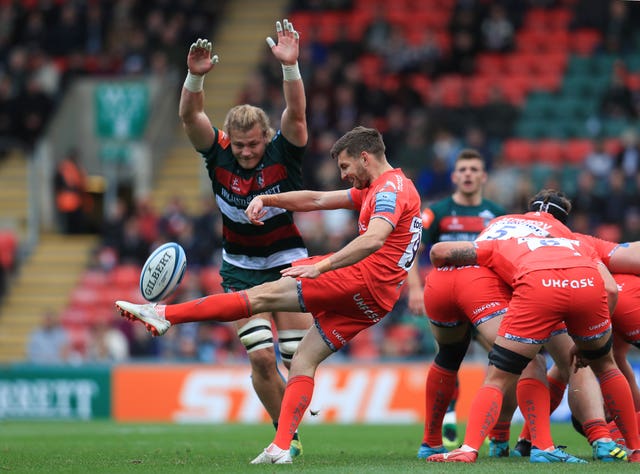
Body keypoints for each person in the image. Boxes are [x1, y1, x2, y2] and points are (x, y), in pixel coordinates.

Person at [115, 126, 423, 464]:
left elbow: (375, 238)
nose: (344, 175)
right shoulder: (384, 187)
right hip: (377, 300)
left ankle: (163, 315)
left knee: (258, 296)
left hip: (359, 278)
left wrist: (323, 266)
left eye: (346, 167)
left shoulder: (389, 190)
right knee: (303, 360)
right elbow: (316, 199)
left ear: (365, 157)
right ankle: (281, 446)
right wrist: (267, 198)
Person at [176, 19, 314, 457]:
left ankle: (293, 408)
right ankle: (285, 438)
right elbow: (190, 116)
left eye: (253, 144)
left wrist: (290, 69)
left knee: (296, 358)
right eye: (239, 146)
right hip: (239, 268)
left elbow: (297, 114)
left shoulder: (283, 150)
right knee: (259, 356)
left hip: (287, 262)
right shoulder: (217, 152)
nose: (247, 152)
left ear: (265, 137)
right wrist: (195, 76)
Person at [426, 190, 640, 463]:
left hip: (526, 289)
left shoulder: (501, 226)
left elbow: (440, 251)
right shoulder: (571, 238)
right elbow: (612, 283)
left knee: (506, 372)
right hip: (586, 288)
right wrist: (586, 342)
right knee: (593, 364)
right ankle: (613, 443)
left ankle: (482, 445)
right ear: (563, 219)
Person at [407, 148, 506, 448]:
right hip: (450, 298)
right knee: (450, 358)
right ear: (454, 176)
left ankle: (498, 435)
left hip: (486, 300)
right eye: (462, 170)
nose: (468, 174)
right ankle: (448, 414)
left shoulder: (496, 214)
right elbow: (412, 251)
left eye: (474, 169)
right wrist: (413, 289)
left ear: (483, 176)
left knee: (508, 360)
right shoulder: (437, 211)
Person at [53, 148, 90, 234]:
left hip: (72, 199)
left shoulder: (69, 167)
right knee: (70, 222)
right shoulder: (67, 167)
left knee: (73, 222)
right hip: (69, 199)